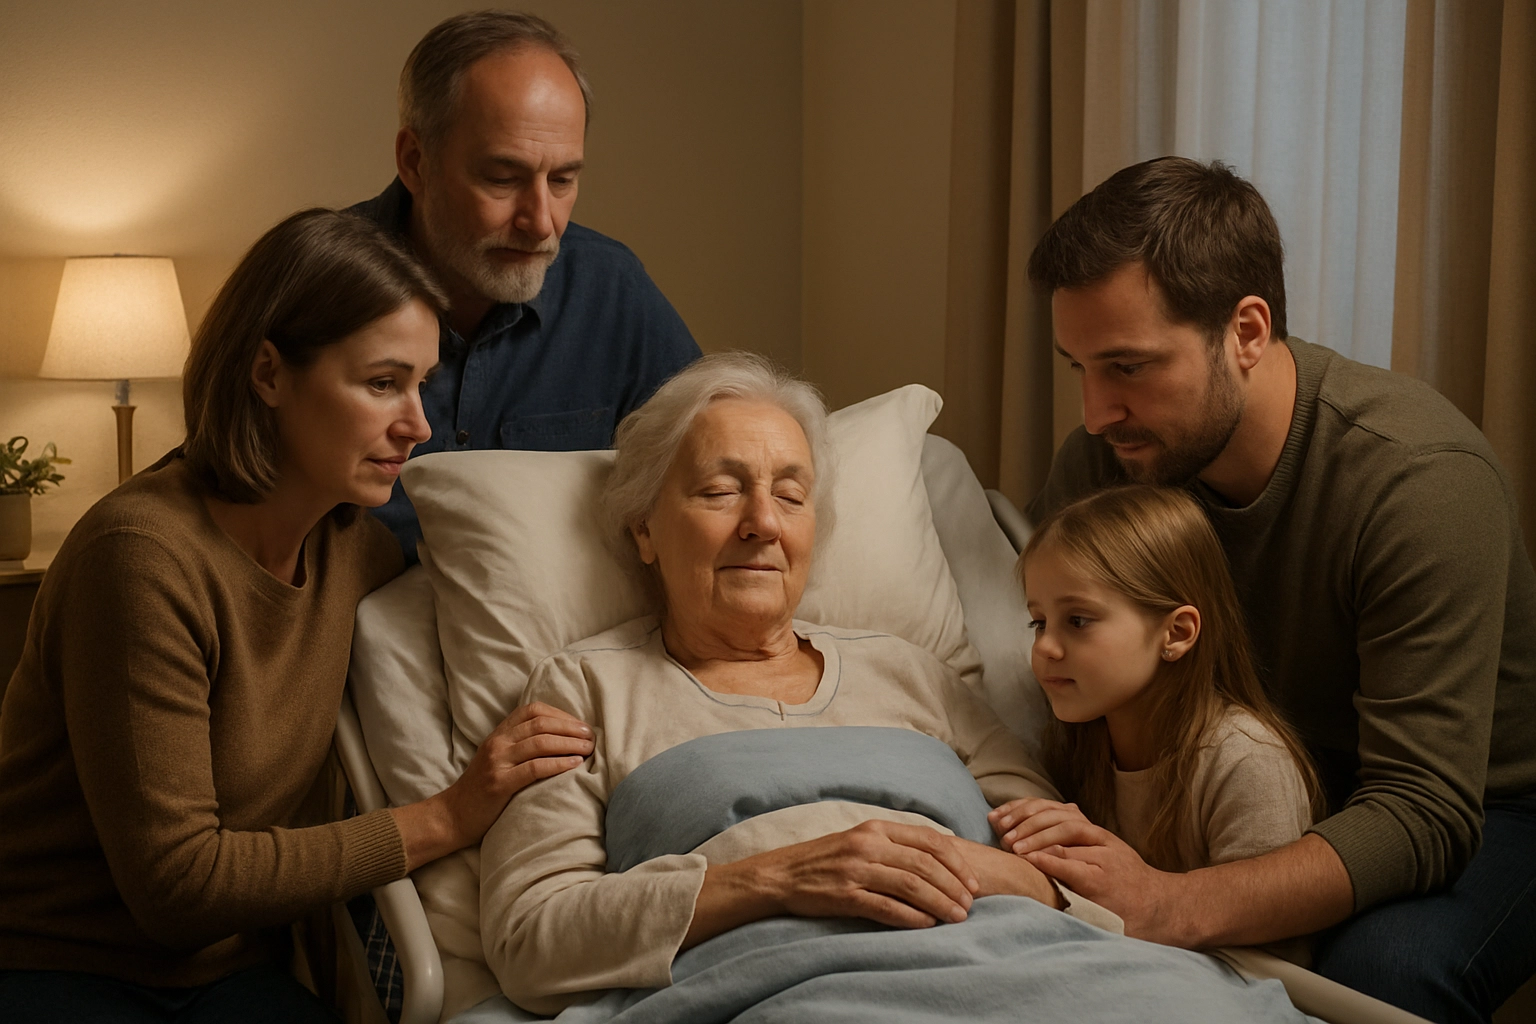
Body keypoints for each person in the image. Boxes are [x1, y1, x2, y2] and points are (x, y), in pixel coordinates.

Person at [0, 209, 593, 1022]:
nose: (418, 425)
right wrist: (447, 816)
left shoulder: (353, 550)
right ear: (269, 374)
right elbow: (178, 887)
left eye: (422, 383)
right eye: (382, 383)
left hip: (230, 971)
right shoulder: (139, 558)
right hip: (56, 960)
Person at [1019, 156, 1536, 1024]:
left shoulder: (1418, 481)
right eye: (1080, 367)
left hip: (1480, 803)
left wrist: (1168, 903)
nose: (1095, 412)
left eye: (1128, 367)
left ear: (1247, 331)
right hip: (1229, 772)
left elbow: (1422, 809)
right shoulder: (1107, 462)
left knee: (1378, 976)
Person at [477, 353, 1104, 1016]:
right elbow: (531, 940)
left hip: (1025, 969)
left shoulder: (913, 672)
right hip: (782, 992)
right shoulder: (588, 689)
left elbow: (1076, 881)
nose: (764, 523)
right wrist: (779, 877)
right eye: (720, 491)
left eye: (790, 496)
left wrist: (954, 868)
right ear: (645, 529)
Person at [350, 10, 702, 562]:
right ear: (415, 162)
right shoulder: (311, 281)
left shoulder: (610, 289)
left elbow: (710, 464)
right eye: (503, 178)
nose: (541, 223)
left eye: (562, 180)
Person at [992, 485, 1322, 962]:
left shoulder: (1247, 763)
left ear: (1177, 633)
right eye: (1038, 622)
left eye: (1078, 620)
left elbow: (1277, 966)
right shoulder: (1075, 744)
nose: (1045, 647)